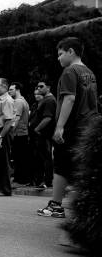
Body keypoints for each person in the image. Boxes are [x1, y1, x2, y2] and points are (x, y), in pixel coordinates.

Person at [38, 37, 99, 218]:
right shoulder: (89, 72)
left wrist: (59, 127)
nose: (58, 58)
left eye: (60, 54)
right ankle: (81, 206)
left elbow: (69, 98)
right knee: (81, 167)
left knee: (62, 165)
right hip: (89, 126)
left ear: (71, 51)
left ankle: (56, 205)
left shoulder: (69, 71)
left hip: (72, 127)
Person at [31, 80, 56, 189]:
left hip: (45, 134)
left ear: (48, 87)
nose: (39, 88)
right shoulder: (45, 100)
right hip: (41, 135)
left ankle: (47, 181)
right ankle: (41, 180)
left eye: (41, 86)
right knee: (41, 158)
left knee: (46, 158)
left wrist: (37, 129)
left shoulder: (49, 100)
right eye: (38, 87)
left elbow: (48, 118)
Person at [8, 82, 30, 186]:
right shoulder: (23, 101)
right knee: (21, 157)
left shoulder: (18, 101)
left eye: (11, 89)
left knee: (19, 158)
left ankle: (20, 180)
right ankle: (21, 179)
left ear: (17, 90)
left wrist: (11, 131)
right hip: (23, 133)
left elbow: (16, 118)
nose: (9, 91)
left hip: (19, 133)